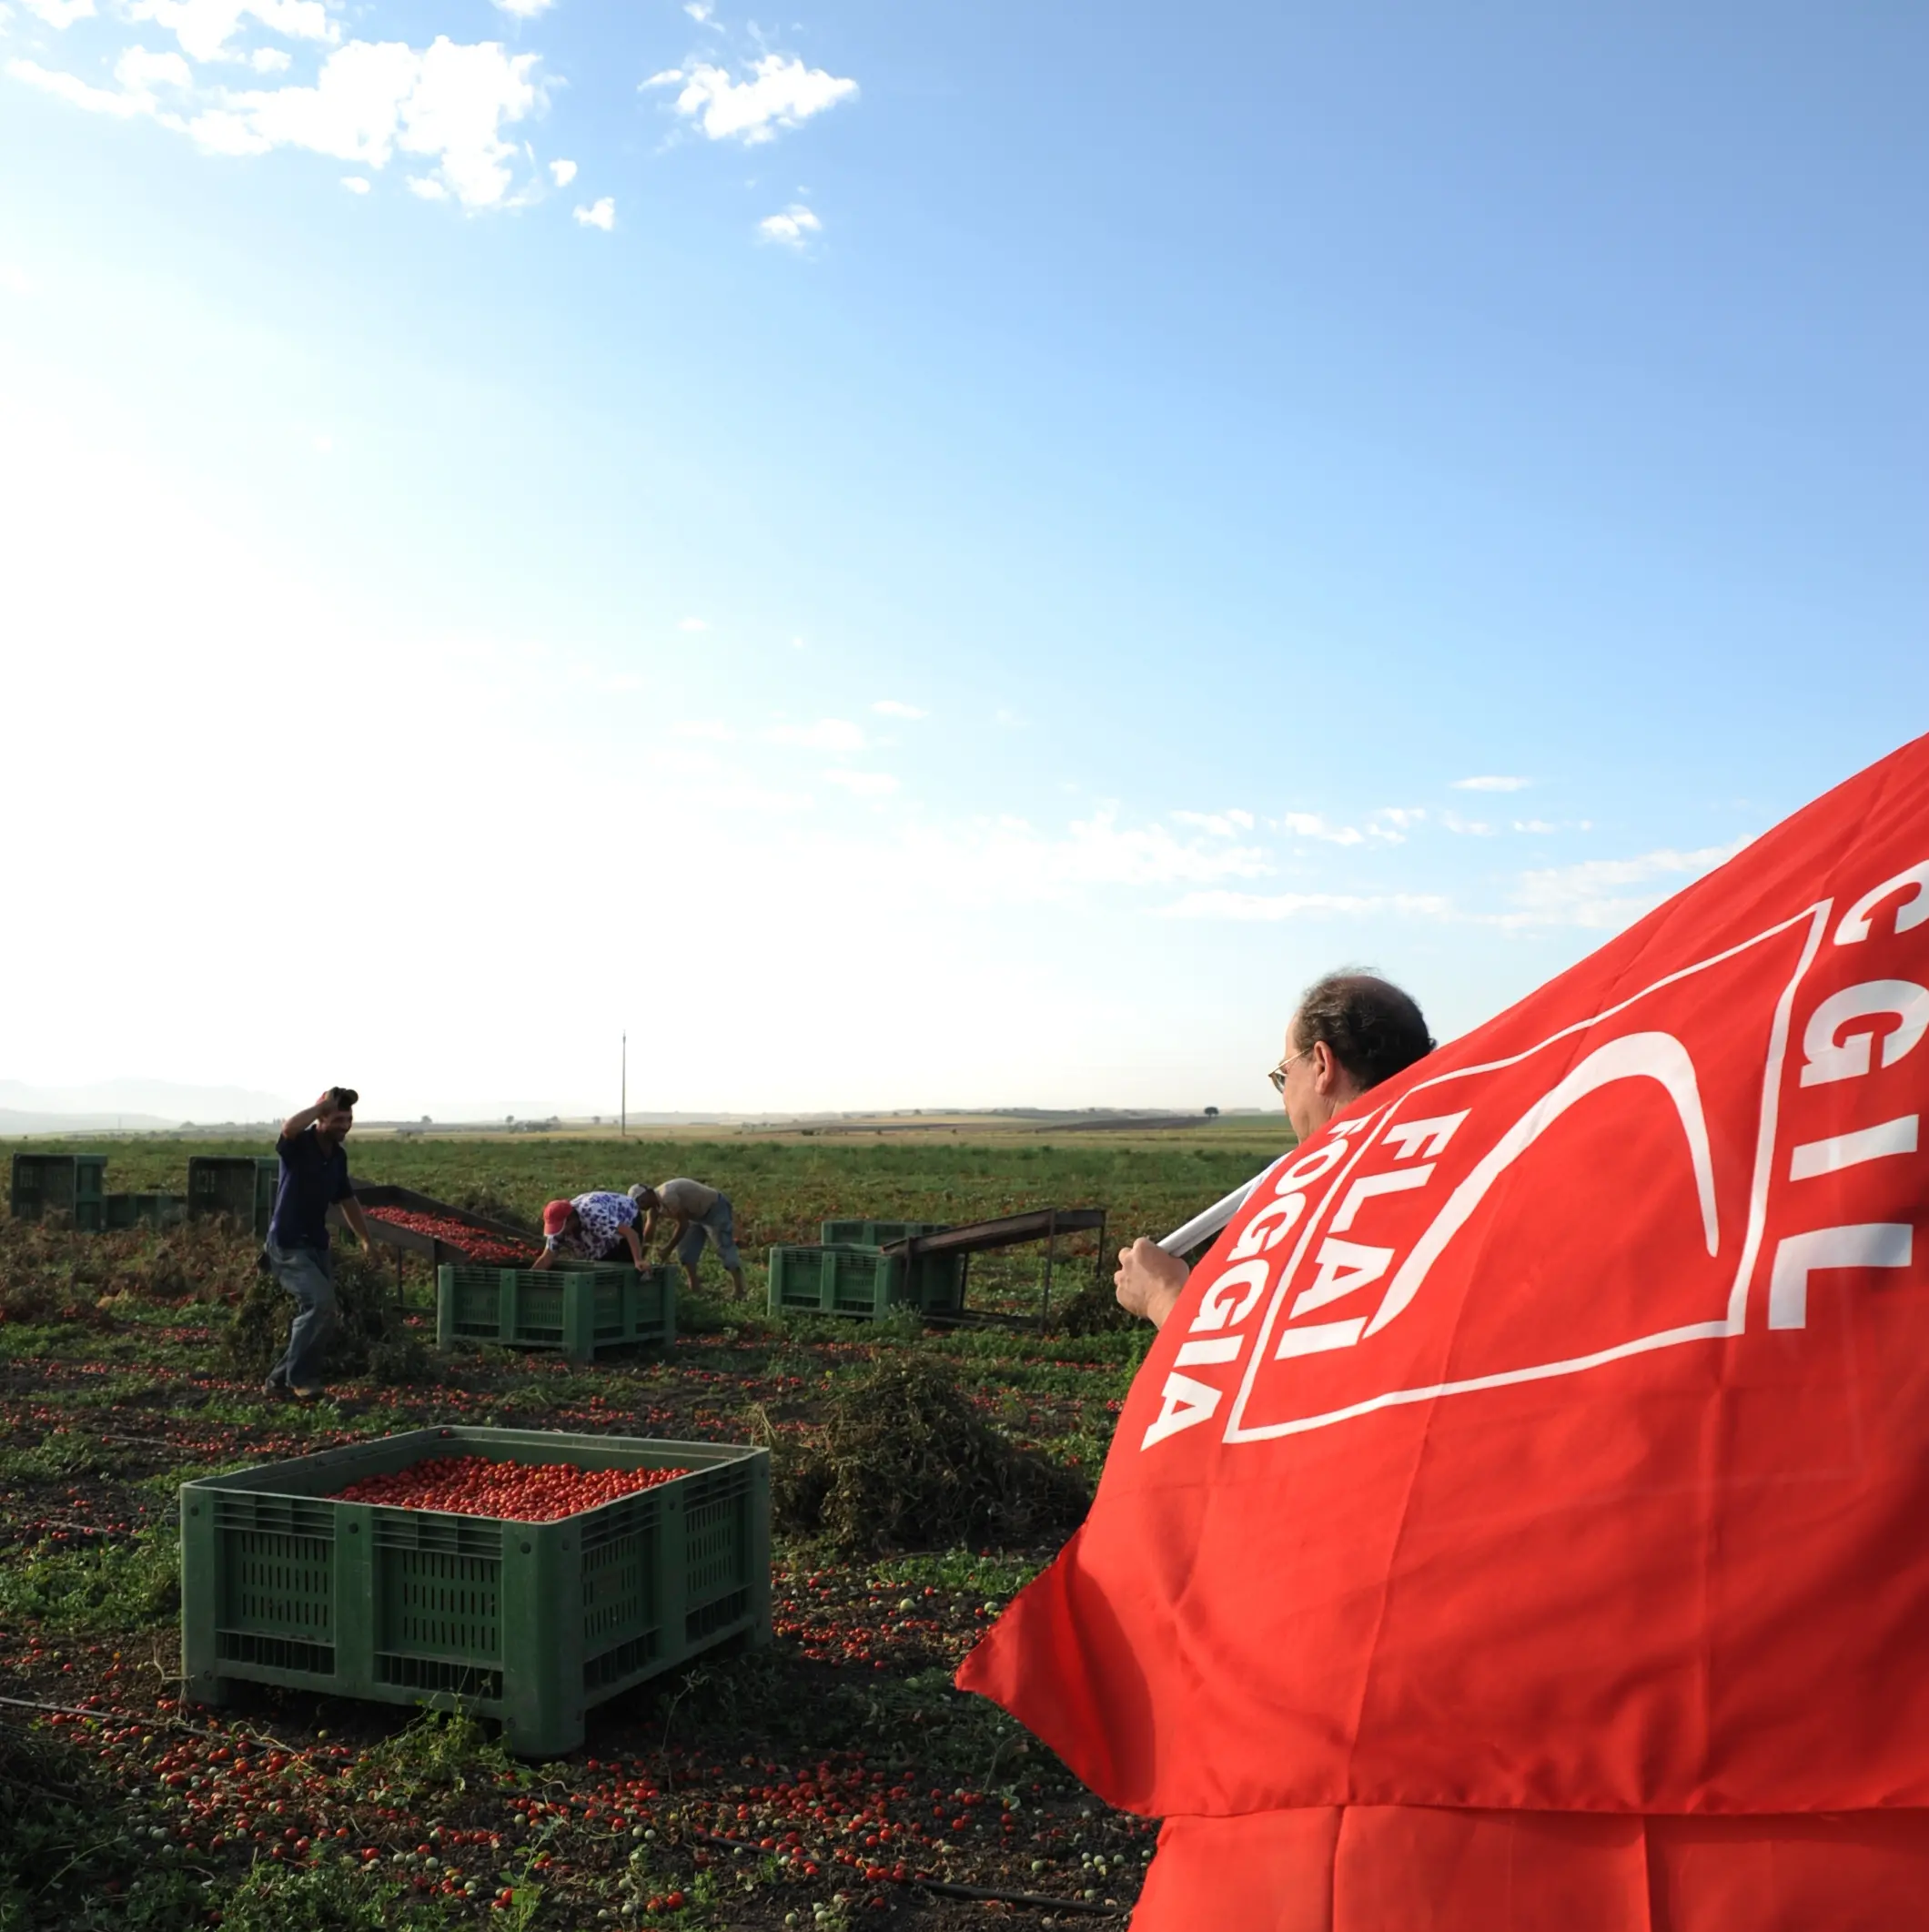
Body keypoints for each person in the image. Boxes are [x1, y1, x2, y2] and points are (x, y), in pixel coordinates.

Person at [1114, 970, 1435, 1328]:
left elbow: (1273, 1352)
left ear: (1322, 1065)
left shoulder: (1312, 1197)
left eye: (1284, 1074)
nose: (1284, 1099)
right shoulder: (1446, 1171)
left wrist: (1162, 1296)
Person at [264, 1087, 382, 1402]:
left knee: (323, 1311)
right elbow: (288, 1128)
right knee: (320, 1303)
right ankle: (301, 1380)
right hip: (288, 1243)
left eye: (349, 1119)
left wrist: (366, 1241)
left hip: (316, 1243)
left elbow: (347, 1200)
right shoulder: (299, 1145)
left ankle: (279, 1380)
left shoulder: (337, 1157)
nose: (345, 1125)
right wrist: (320, 1107)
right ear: (321, 1119)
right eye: (338, 1119)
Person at [630, 1178, 747, 1300]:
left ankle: (740, 1291)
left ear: (649, 1192)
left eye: (641, 1201)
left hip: (714, 1209)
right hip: (694, 1216)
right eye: (637, 1204)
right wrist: (639, 1258)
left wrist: (668, 1249)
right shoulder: (653, 1210)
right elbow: (648, 1234)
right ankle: (695, 1288)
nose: (640, 1206)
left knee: (724, 1248)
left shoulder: (666, 1196)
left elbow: (683, 1225)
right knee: (686, 1252)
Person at [530, 1191, 649, 1269]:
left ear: (571, 1219)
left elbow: (631, 1233)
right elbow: (547, 1257)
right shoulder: (557, 1231)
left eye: (561, 1227)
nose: (559, 1232)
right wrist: (530, 1276)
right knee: (600, 1259)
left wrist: (638, 1260)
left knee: (624, 1264)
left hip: (627, 1215)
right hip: (599, 1226)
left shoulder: (594, 1215)